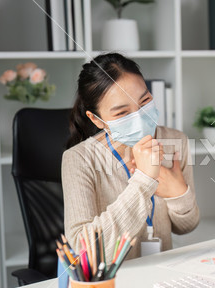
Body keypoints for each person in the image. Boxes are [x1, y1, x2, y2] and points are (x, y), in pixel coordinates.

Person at [62, 52, 199, 261]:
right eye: (122, 113)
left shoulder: (175, 141)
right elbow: (86, 253)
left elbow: (186, 226)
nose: (140, 116)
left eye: (145, 101)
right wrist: (144, 181)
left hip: (163, 278)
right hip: (114, 287)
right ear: (97, 120)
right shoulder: (78, 159)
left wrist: (178, 194)